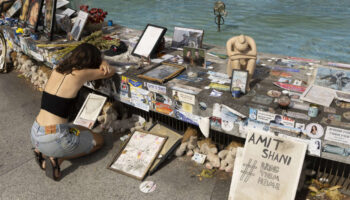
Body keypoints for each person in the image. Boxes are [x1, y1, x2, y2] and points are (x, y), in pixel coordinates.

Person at [31, 43, 116, 181]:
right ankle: (57, 158)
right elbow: (111, 71)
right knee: (99, 141)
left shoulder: (57, 69)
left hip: (36, 131)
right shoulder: (80, 74)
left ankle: (41, 150)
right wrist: (103, 61)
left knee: (84, 130)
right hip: (55, 138)